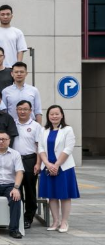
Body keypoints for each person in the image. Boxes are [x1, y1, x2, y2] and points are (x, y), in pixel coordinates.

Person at [38, 105, 79, 233]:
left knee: (64, 195)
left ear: (62, 115)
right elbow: (40, 148)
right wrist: (47, 164)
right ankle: (55, 221)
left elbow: (68, 148)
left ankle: (64, 222)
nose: (54, 116)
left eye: (57, 114)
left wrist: (56, 165)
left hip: (64, 167)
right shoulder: (43, 130)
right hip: (47, 167)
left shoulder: (67, 129)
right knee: (52, 195)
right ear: (48, 116)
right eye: (51, 114)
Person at [13, 100, 42, 229]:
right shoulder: (12, 123)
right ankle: (17, 215)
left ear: (30, 111)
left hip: (30, 160)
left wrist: (38, 163)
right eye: (20, 109)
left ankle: (28, 217)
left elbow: (40, 146)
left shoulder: (36, 126)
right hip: (15, 160)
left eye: (25, 109)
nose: (22, 111)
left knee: (30, 190)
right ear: (16, 110)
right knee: (16, 188)